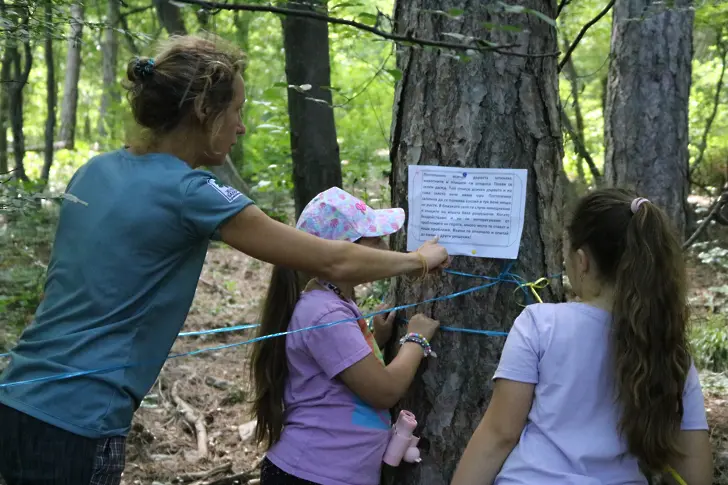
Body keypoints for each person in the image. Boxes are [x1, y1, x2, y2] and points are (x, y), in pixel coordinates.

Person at [0, 35, 448, 485]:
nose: (241, 127)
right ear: (203, 111)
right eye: (236, 110)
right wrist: (418, 260)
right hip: (79, 420)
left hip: (15, 396)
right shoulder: (191, 193)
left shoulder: (95, 169)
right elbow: (329, 263)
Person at [450, 188, 713, 485]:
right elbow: (695, 471)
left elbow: (499, 435)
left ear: (582, 260)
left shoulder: (540, 324)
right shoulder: (669, 349)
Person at [250, 186, 441, 485]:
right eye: (374, 240)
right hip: (313, 475)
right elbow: (384, 391)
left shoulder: (333, 302)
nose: (384, 246)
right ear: (346, 255)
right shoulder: (325, 313)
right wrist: (416, 341)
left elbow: (339, 371)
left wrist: (377, 340)